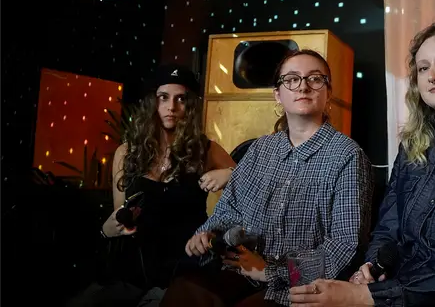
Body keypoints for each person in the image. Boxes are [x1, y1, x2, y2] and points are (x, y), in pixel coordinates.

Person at [289, 21, 435, 307]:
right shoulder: (412, 146)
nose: (432, 75)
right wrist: (371, 268)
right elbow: (388, 229)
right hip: (395, 290)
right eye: (423, 68)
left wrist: (367, 297)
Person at [160, 49, 373, 307]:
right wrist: (206, 234)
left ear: (328, 92)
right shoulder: (260, 149)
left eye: (315, 79)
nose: (303, 86)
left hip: (302, 286)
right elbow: (230, 208)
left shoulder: (347, 155)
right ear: (277, 94)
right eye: (292, 79)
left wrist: (271, 270)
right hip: (242, 270)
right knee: (185, 291)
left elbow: (345, 246)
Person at [69, 65, 237, 307]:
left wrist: (230, 173)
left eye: (181, 99)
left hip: (186, 265)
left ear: (189, 106)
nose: (172, 107)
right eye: (163, 97)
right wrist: (109, 228)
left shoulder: (205, 149)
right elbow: (120, 214)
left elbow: (253, 187)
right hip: (134, 267)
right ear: (152, 102)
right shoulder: (126, 153)